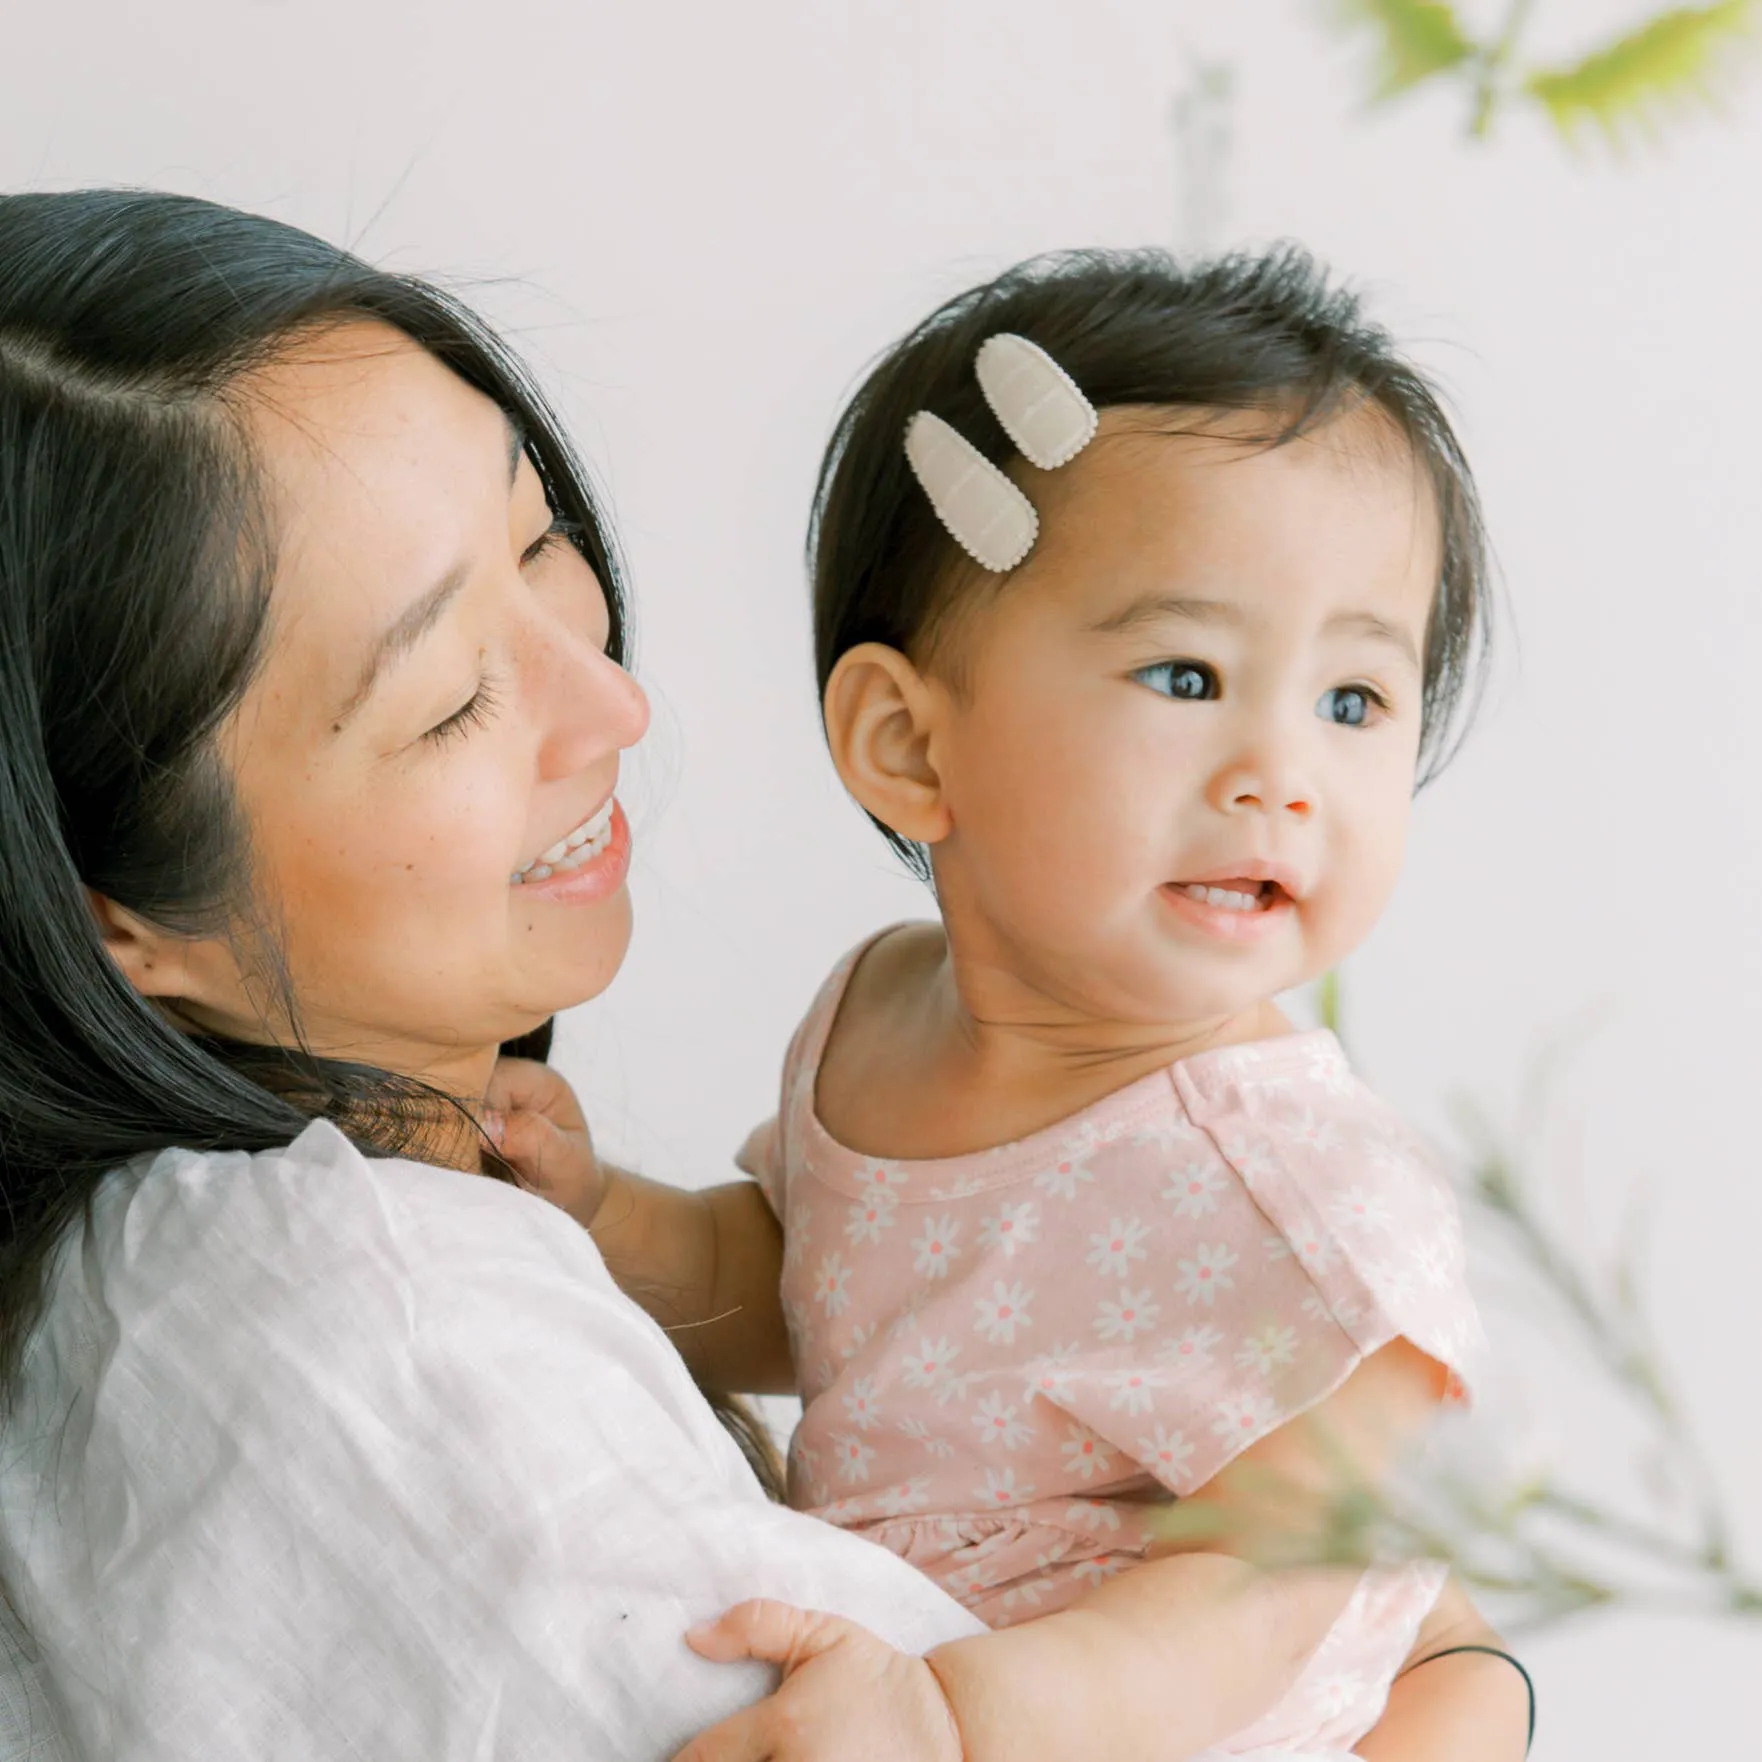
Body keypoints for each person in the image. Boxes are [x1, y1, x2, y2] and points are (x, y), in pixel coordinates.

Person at [0, 192, 1392, 1762]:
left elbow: (1312, 1558)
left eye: (541, 540)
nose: (613, 703)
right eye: (450, 696)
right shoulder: (389, 1346)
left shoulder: (1291, 1188)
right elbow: (817, 1274)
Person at [491, 250, 1536, 1760]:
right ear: (909, 745)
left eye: (1352, 701)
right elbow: (808, 1279)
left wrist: (953, 1714)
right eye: (1185, 677)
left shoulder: (1312, 1198)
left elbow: (1251, 1593)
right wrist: (597, 1216)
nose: (1279, 771)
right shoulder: (873, 1011)